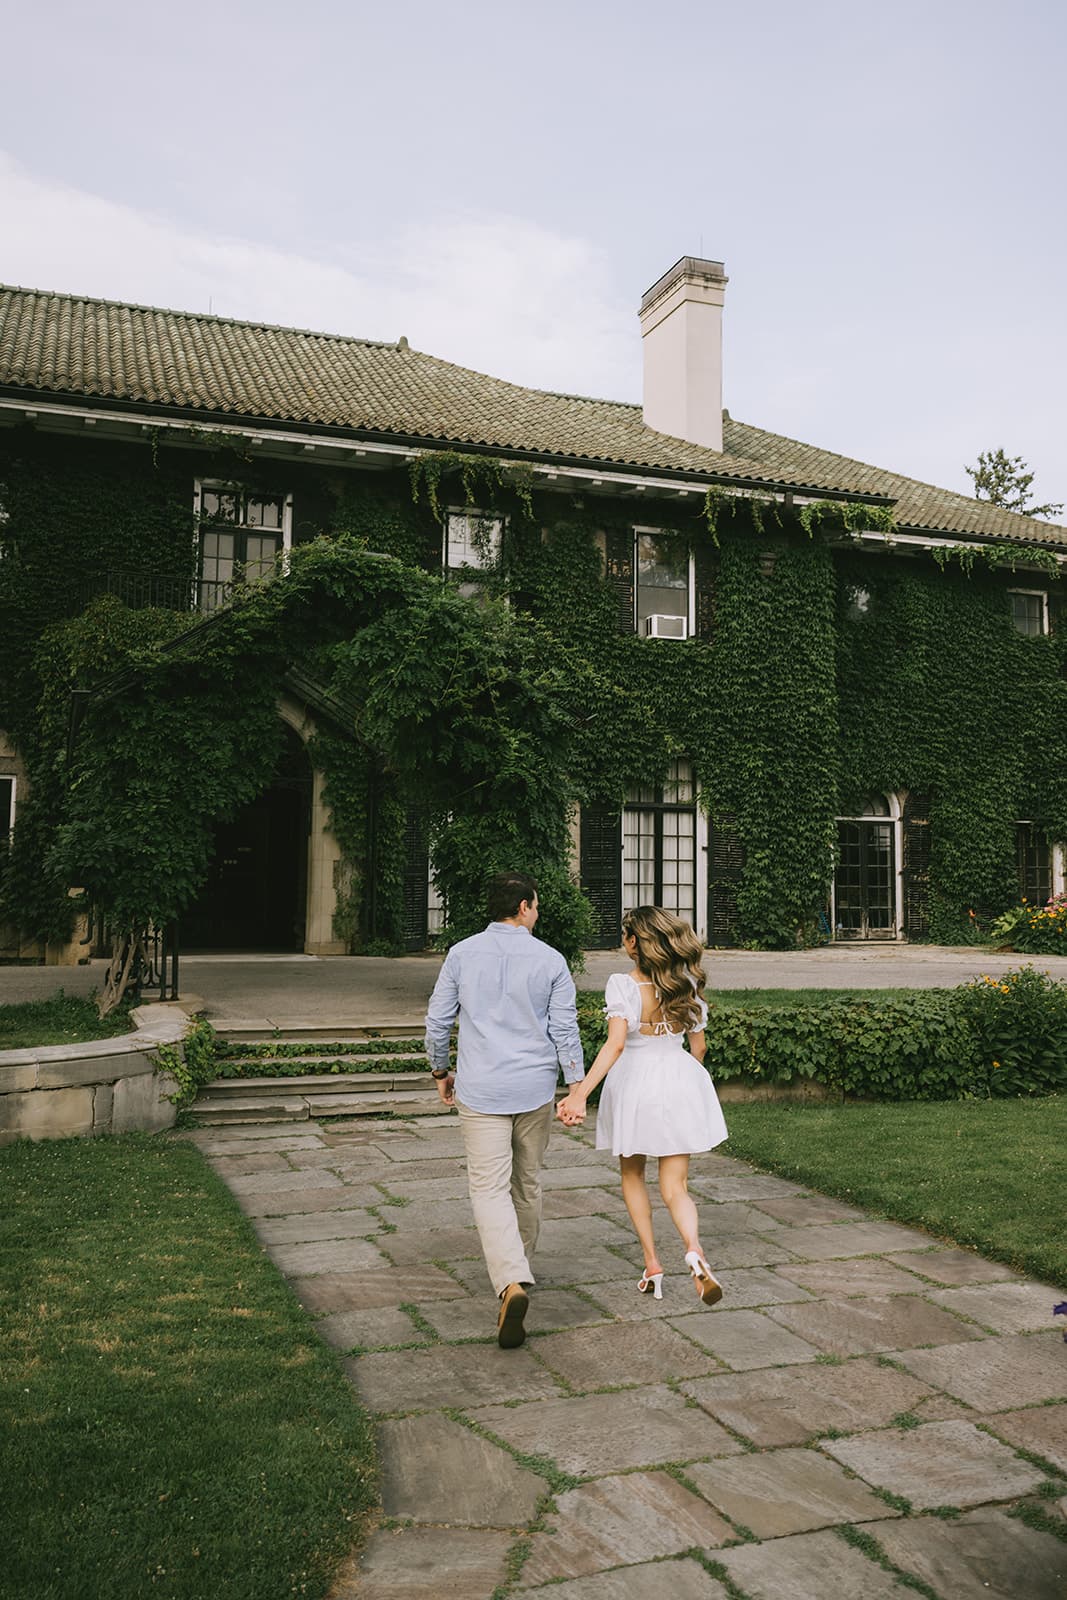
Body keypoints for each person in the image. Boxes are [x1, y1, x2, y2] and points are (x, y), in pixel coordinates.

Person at [424, 871, 584, 1348]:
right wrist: (575, 1086)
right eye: (535, 905)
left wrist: (439, 1072)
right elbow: (565, 1031)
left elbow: (438, 1020)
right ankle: (518, 1270)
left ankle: (510, 1279)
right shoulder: (551, 960)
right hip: (533, 1089)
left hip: (482, 1090)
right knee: (527, 1182)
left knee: (488, 1188)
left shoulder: (461, 954)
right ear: (524, 908)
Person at [556, 904, 727, 1305]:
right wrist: (683, 1083)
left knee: (633, 1175)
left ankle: (652, 1263)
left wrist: (580, 1093)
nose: (622, 940)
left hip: (635, 1085)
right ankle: (694, 1251)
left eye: (625, 934)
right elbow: (698, 1048)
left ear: (635, 943)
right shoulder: (686, 986)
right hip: (678, 1078)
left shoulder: (623, 985)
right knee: (676, 1186)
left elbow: (616, 1044)